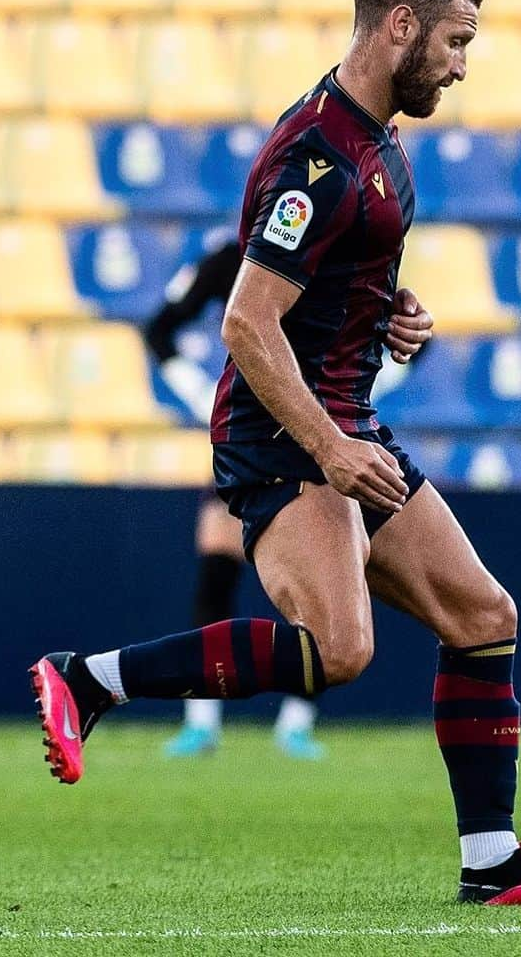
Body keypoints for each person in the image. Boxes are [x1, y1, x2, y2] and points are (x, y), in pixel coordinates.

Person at [30, 0, 521, 907]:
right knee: (339, 652)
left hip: (344, 423)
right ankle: (89, 679)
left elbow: (329, 286)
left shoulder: (378, 148)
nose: (462, 65)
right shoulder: (322, 158)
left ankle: (493, 864)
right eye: (455, 41)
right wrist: (331, 450)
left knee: (484, 618)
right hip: (284, 433)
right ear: (400, 25)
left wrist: (391, 311)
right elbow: (246, 322)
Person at [141, 241, 326, 760]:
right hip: (244, 436)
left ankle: (296, 721)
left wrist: (362, 393)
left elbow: (412, 338)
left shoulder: (333, 255)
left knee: (314, 589)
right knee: (217, 575)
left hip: (314, 439)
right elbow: (158, 329)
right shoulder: (230, 259)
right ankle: (202, 720)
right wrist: (203, 395)